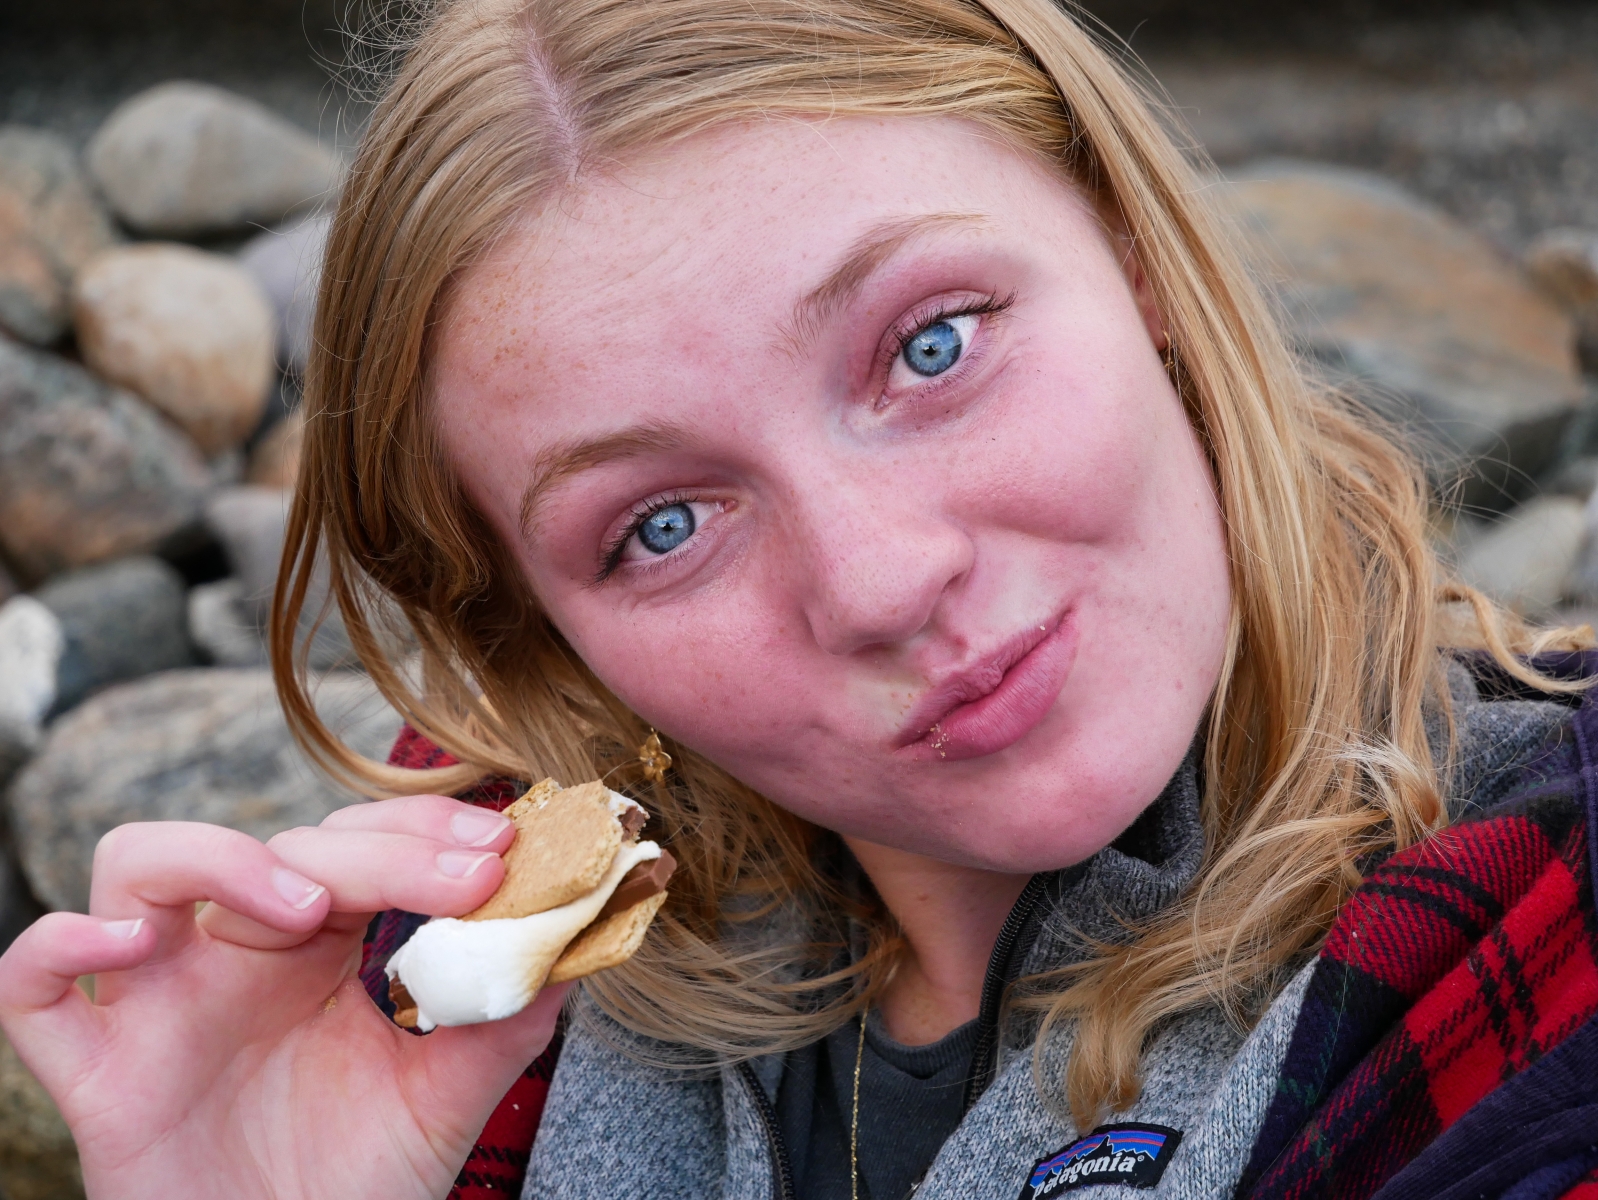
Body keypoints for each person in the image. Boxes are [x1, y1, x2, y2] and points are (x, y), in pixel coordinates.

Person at [4, 0, 1598, 1196]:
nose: (881, 581)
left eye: (930, 347)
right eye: (663, 526)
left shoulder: (1540, 946)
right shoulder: (440, 1007)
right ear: (541, 638)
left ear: (1138, 257)